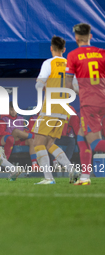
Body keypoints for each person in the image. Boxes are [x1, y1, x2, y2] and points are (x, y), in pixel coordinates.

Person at [32, 36, 75, 184]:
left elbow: (39, 85)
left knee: (38, 143)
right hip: (64, 109)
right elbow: (75, 87)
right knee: (49, 144)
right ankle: (71, 170)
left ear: (51, 48)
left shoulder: (48, 63)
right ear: (64, 49)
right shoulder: (70, 65)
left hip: (50, 107)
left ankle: (48, 178)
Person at [65, 23, 105, 185]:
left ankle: (85, 178)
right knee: (82, 137)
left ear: (76, 38)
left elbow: (68, 86)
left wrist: (79, 90)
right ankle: (84, 177)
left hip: (89, 104)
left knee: (95, 143)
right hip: (102, 99)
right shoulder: (102, 53)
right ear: (91, 36)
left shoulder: (73, 55)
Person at [0, 102, 39, 170]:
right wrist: (12, 133)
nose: (13, 112)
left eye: (15, 110)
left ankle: (34, 164)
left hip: (20, 140)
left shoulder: (21, 118)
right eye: (11, 110)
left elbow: (26, 129)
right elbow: (2, 132)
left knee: (31, 140)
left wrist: (22, 134)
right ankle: (37, 137)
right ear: (8, 110)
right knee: (16, 131)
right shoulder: (4, 119)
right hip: (11, 139)